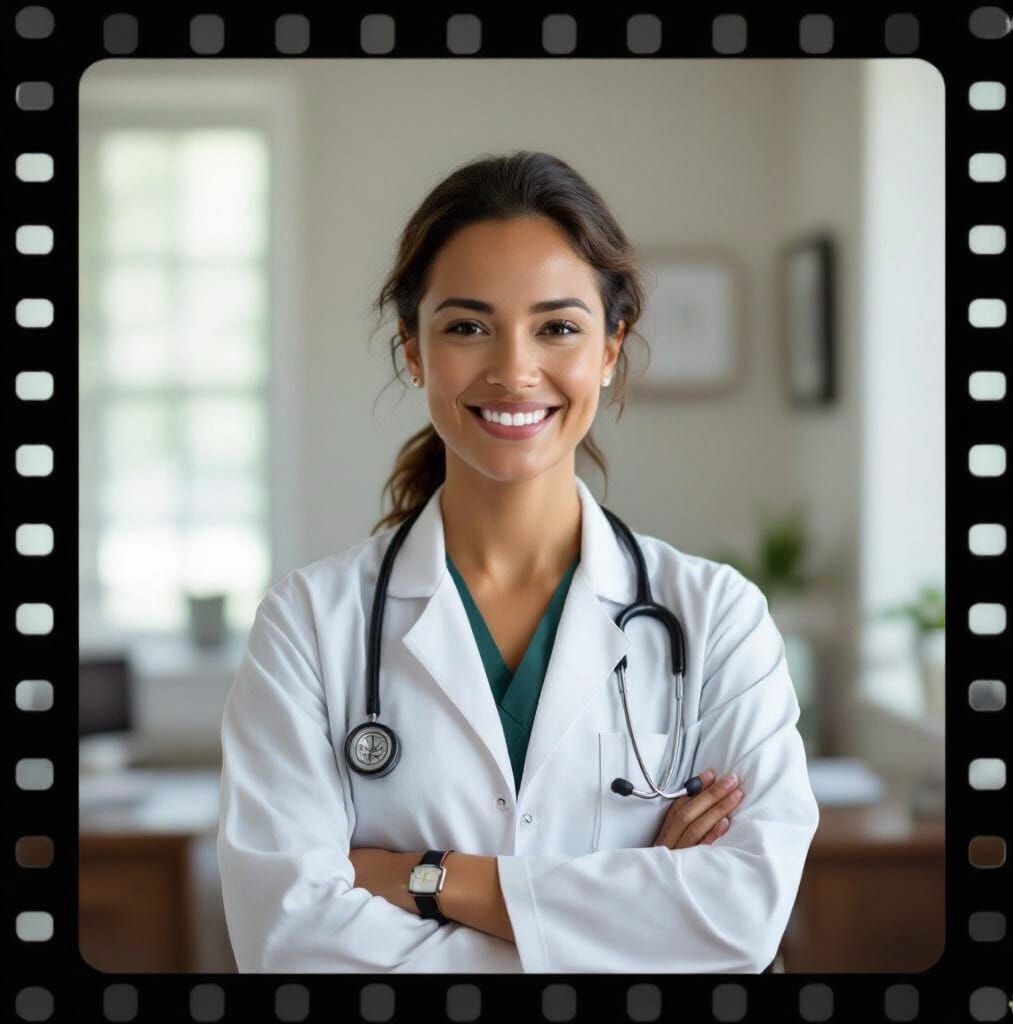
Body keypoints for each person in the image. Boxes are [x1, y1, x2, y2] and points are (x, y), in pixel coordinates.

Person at [216, 150, 819, 973]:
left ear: (611, 348)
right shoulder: (310, 625)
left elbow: (740, 922)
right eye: (467, 326)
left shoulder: (714, 617)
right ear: (413, 351)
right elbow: (289, 945)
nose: (513, 370)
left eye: (558, 327)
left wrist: (424, 880)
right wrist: (634, 909)